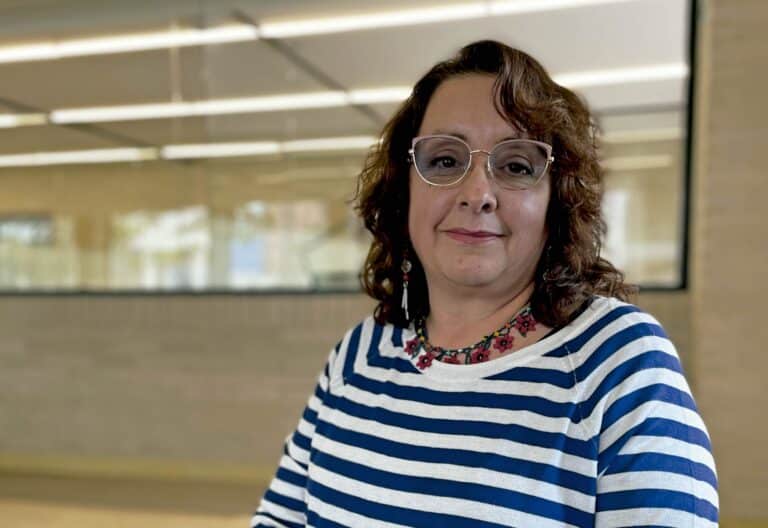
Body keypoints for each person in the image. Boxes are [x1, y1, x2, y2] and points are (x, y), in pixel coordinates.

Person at [251, 40, 718, 527]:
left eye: (516, 166)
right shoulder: (358, 355)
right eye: (444, 161)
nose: (477, 193)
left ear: (557, 201)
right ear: (403, 188)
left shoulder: (619, 361)